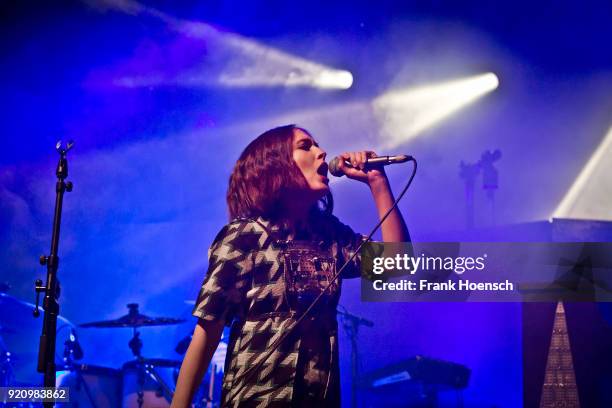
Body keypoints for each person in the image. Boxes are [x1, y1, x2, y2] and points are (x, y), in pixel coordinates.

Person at [171, 125, 409, 407]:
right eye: (305, 146)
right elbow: (208, 330)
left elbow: (397, 264)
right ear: (274, 164)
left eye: (317, 145)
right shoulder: (244, 235)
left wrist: (378, 184)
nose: (321, 152)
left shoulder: (330, 235)